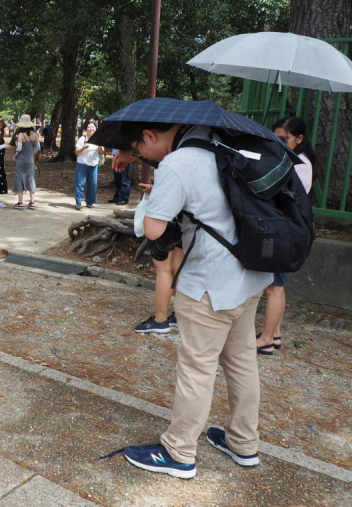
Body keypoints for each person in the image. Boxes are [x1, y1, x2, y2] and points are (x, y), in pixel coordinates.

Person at [114, 121, 272, 479]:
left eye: (140, 149)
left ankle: (179, 451)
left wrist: (155, 194)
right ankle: (244, 443)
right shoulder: (222, 148)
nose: (141, 156)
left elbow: (153, 228)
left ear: (150, 137)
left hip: (210, 284)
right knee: (242, 362)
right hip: (249, 277)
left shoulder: (179, 163)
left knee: (197, 368)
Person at [256, 117, 315, 355]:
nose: (278, 143)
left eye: (283, 139)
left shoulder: (300, 164)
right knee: (277, 286)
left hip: (285, 230)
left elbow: (283, 195)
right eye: (275, 138)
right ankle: (275, 334)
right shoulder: (292, 160)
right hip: (283, 228)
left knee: (274, 287)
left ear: (299, 139)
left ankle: (266, 340)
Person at [74, 121, 104, 209]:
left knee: (93, 184)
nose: (91, 129)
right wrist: (83, 147)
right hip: (82, 164)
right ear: (86, 129)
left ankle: (90, 202)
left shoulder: (99, 139)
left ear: (96, 129)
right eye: (89, 127)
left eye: (93, 127)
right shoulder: (82, 139)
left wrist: (101, 148)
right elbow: (76, 152)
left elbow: (102, 153)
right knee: (80, 183)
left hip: (94, 164)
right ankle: (78, 202)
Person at [13, 114, 41, 210]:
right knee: (31, 179)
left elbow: (19, 148)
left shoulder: (21, 135)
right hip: (30, 160)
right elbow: (38, 147)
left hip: (21, 160)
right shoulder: (35, 134)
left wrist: (16, 151)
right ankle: (32, 202)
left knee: (20, 179)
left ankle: (20, 203)